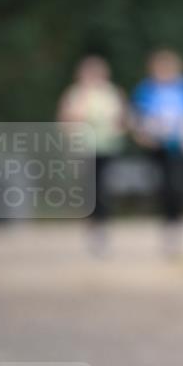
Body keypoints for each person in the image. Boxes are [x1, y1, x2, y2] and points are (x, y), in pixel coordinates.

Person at [130, 49, 183, 255]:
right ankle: (167, 226)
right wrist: (142, 135)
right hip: (157, 147)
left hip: (182, 145)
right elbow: (137, 117)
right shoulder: (146, 90)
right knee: (164, 187)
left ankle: (176, 226)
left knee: (180, 187)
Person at [57, 55, 128, 253]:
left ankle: (101, 225)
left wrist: (120, 127)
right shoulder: (75, 93)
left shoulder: (112, 93)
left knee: (103, 188)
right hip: (84, 148)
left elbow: (122, 119)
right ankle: (92, 223)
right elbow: (66, 120)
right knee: (88, 189)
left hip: (107, 147)